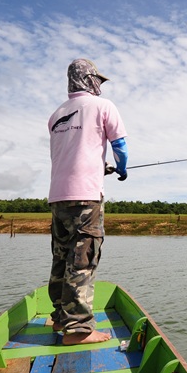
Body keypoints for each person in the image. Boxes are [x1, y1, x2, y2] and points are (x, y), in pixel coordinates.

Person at [47, 58, 128, 345]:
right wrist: (121, 167)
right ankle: (78, 330)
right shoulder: (103, 106)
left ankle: (59, 320)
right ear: (89, 78)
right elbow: (120, 145)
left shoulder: (56, 114)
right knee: (82, 261)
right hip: (86, 198)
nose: (99, 86)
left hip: (58, 198)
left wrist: (100, 165)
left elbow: (74, 153)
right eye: (97, 80)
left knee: (61, 258)